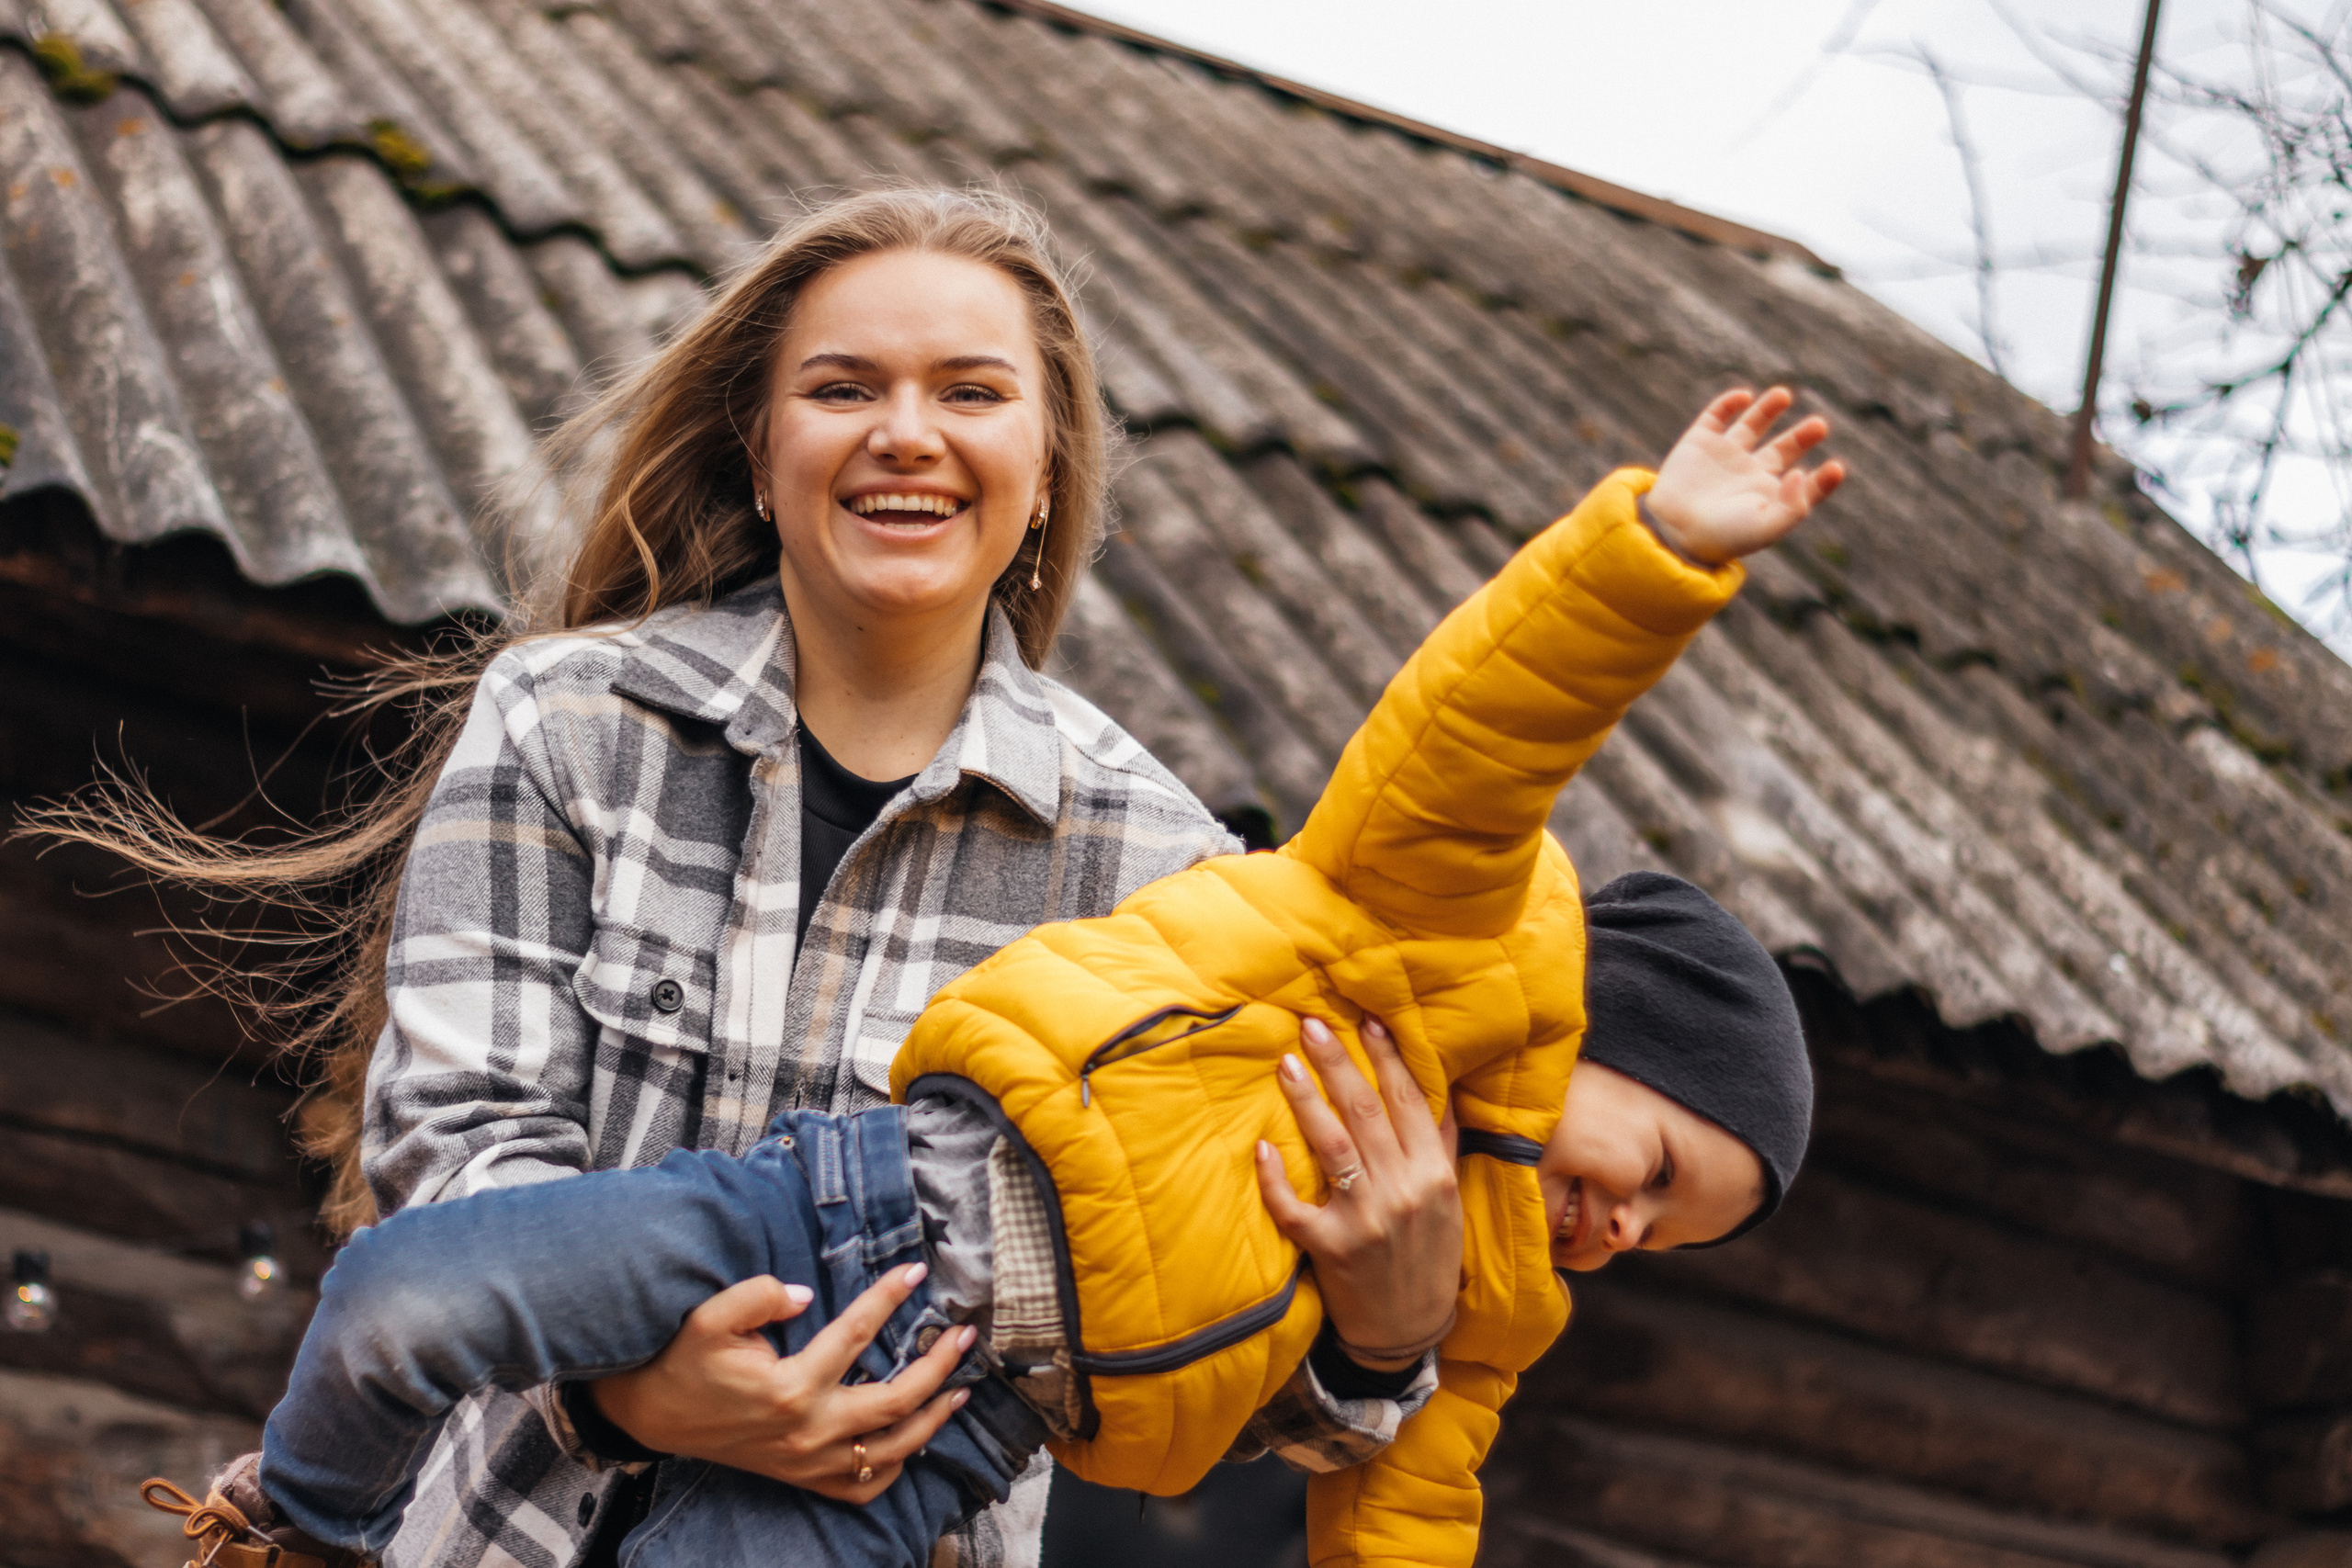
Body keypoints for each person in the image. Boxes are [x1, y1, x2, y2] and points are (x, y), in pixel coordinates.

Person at [143, 384, 1839, 1568]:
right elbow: (1480, 734)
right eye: (1659, 1176)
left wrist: (1389, 1344)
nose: (1621, 1235)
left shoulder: (1481, 1305)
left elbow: (1399, 1507)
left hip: (961, 1429)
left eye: (1662, 1246)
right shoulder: (1408, 934)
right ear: (1622, 1037)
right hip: (855, 1214)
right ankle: (301, 1533)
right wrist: (1657, 554)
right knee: (407, 1294)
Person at [59, 186, 1461, 1568]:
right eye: (844, 387)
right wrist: (623, 1395)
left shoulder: (1170, 872)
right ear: (758, 446)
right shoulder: (566, 723)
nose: (905, 435)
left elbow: (1195, 1338)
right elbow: (456, 1145)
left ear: (1047, 469)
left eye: (972, 393)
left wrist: (1384, 1334)